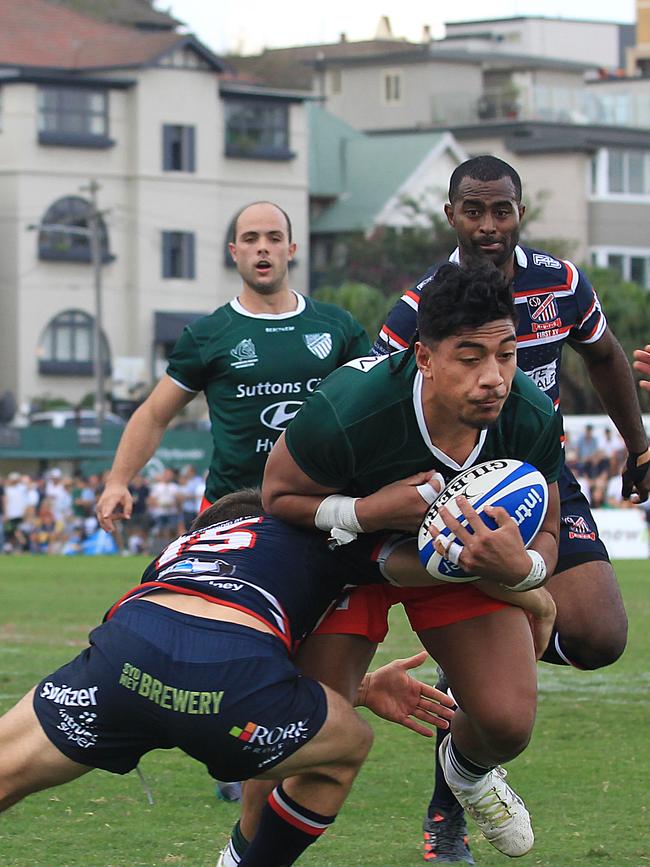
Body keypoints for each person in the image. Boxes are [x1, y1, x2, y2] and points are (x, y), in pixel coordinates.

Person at [372, 155, 650, 862]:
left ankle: (474, 665)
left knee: (600, 638)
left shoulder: (558, 282)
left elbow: (607, 355)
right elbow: (378, 393)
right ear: (451, 216)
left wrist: (638, 445)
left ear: (519, 212)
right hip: (456, 493)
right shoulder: (420, 304)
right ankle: (448, 815)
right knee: (491, 671)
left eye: (502, 210)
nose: (489, 224)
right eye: (474, 210)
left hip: (543, 476)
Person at [239, 261, 564, 864]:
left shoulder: (530, 414)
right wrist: (367, 509)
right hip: (345, 558)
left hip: (447, 565)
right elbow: (277, 497)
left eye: (507, 354)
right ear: (424, 357)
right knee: (301, 743)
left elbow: (545, 527)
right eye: (470, 357)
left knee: (507, 722)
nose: (494, 377)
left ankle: (464, 774)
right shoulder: (353, 405)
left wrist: (524, 574)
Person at [0, 488, 459, 866]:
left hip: (125, 654)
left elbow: (175, 645)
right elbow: (420, 564)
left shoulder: (179, 548)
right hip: (227, 677)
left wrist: (363, 688)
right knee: (346, 746)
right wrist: (509, 566)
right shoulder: (309, 533)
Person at [96, 201, 370, 532]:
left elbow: (372, 407)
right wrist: (117, 482)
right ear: (233, 251)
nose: (262, 248)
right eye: (251, 239)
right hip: (231, 507)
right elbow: (154, 415)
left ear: (292, 249)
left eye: (274, 237)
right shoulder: (208, 334)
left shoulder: (336, 326)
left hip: (319, 505)